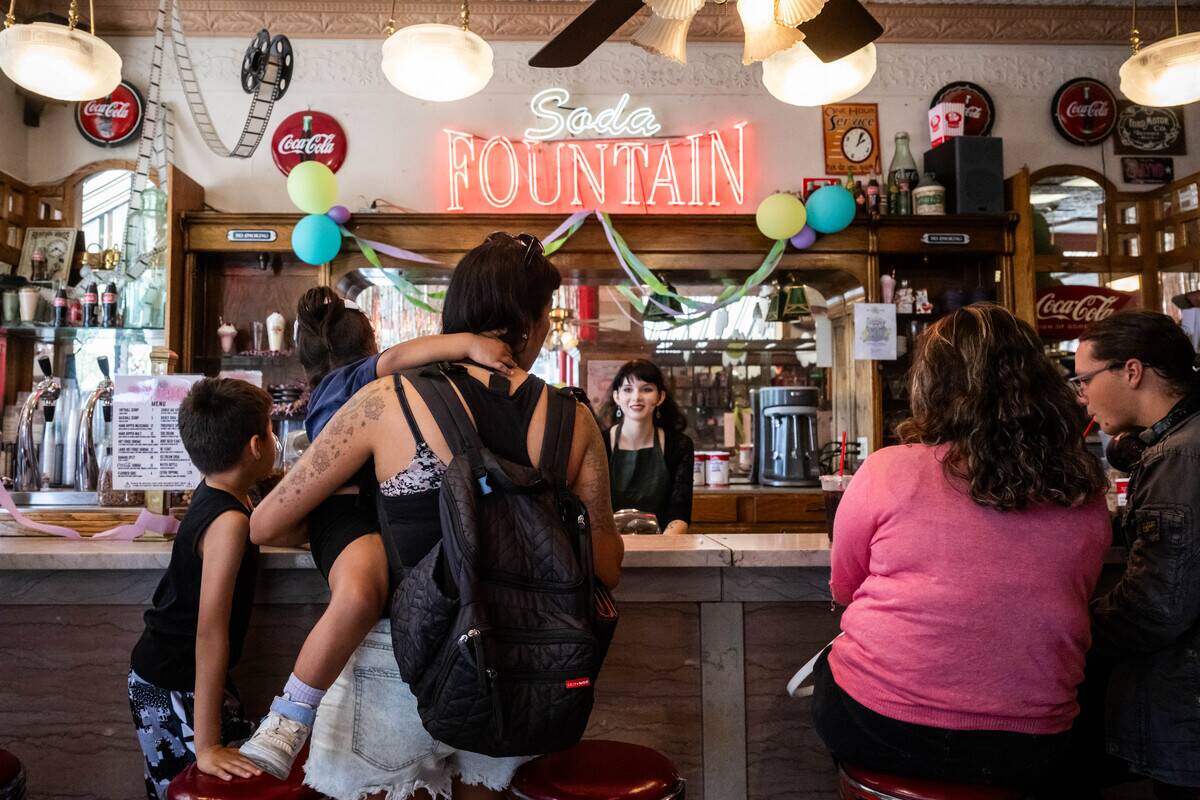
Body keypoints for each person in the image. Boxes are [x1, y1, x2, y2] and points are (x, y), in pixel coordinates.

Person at [249, 232, 624, 800]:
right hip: (516, 674)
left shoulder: (386, 400)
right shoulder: (575, 420)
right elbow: (605, 565)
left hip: (397, 666)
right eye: (547, 315)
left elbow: (267, 523)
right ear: (529, 324)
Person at [812, 304, 1111, 792]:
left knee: (832, 675)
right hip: (1031, 745)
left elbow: (845, 587)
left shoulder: (889, 468)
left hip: (880, 726)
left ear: (931, 386)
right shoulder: (1083, 487)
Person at [237, 287, 516, 779]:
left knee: (364, 590)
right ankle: (289, 715)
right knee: (360, 592)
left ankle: (289, 717)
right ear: (371, 347)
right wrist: (469, 343)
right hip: (343, 512)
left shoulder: (327, 389)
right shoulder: (355, 378)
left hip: (357, 510)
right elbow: (401, 357)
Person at [1072, 310, 1200, 797]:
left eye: (1085, 379)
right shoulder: (1174, 444)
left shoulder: (1179, 458)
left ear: (1131, 371)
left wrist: (1067, 627)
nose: (1082, 395)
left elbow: (1157, 605)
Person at [127, 378, 276, 797]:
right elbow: (210, 632)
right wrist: (207, 745)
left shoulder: (223, 492)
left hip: (181, 678)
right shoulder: (229, 522)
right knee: (188, 787)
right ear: (255, 446)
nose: (275, 441)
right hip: (170, 682)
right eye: (271, 431)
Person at [600, 359, 694, 535]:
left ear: (660, 397)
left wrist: (660, 548)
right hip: (609, 543)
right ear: (616, 396)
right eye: (628, 389)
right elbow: (592, 508)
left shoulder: (679, 445)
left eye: (647, 389)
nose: (636, 397)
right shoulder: (599, 443)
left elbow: (680, 512)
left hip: (664, 543)